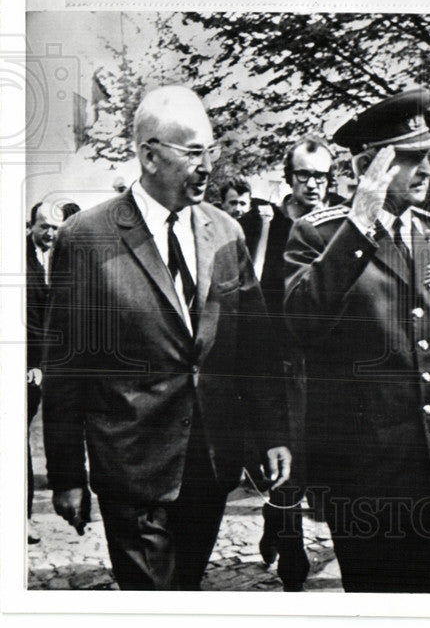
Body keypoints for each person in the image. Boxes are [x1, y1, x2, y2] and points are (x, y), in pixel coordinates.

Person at [42, 86, 291, 590]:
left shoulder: (226, 231)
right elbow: (67, 368)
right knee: (151, 600)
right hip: (131, 465)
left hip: (210, 462)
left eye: (210, 151)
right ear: (149, 155)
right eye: (193, 152)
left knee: (187, 589)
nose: (207, 166)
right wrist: (67, 474)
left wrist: (272, 434)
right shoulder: (87, 239)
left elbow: (255, 348)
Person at [283, 87, 430, 594]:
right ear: (367, 168)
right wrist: (358, 224)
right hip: (365, 477)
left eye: (427, 157)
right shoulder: (318, 235)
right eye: (408, 159)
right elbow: (300, 321)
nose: (425, 170)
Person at [246, 136, 337, 591]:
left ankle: (274, 518)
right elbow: (253, 301)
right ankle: (292, 557)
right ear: (290, 178)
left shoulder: (340, 224)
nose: (314, 185)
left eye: (322, 176)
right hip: (281, 364)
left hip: (329, 366)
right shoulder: (267, 227)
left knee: (326, 463)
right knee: (286, 465)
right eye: (305, 175)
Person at [25, 201, 63, 544]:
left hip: (54, 365)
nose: (49, 233)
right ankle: (20, 518)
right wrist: (30, 364)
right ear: (31, 226)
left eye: (55, 227)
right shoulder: (18, 260)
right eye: (43, 226)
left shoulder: (63, 258)